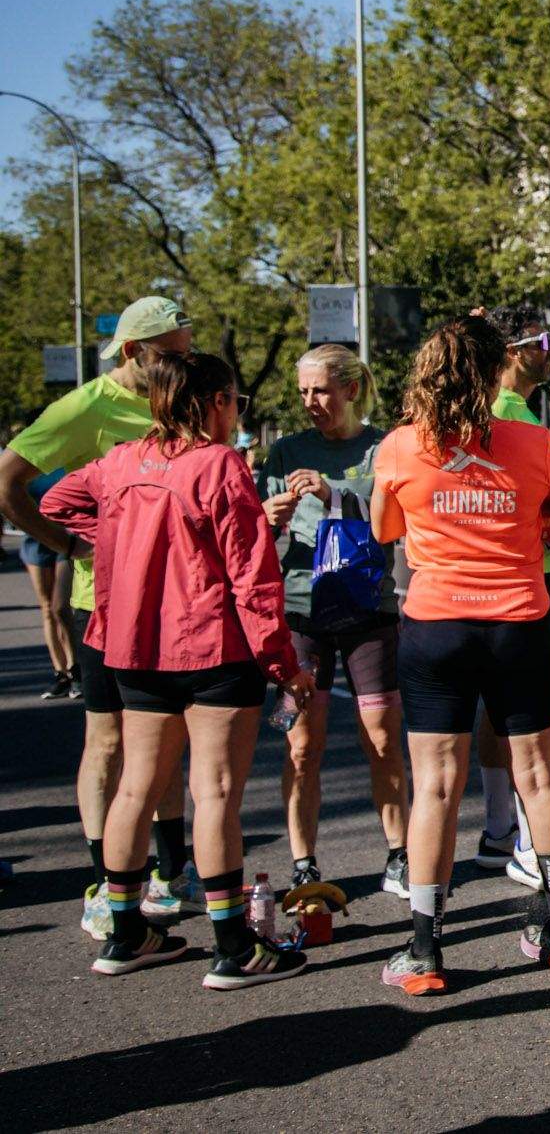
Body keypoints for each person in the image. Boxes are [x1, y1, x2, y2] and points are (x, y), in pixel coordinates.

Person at [43, 351, 313, 988]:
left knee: (136, 787)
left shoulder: (120, 461)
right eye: (235, 401)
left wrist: (119, 534)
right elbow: (252, 578)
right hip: (212, 646)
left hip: (136, 646)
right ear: (216, 401)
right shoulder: (219, 464)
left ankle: (126, 932)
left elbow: (57, 501)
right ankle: (234, 946)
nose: (235, 412)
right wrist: (284, 665)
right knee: (214, 793)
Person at [371, 316, 550, 994]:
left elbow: (386, 530)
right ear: (494, 371)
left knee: (436, 785)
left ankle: (424, 950)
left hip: (435, 626)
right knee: (541, 776)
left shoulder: (400, 445)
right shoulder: (534, 442)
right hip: (519, 623)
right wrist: (531, 525)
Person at [0, 296, 200, 938]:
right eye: (171, 355)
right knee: (109, 741)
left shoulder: (179, 398)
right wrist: (66, 544)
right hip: (106, 604)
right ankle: (102, 883)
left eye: (188, 354)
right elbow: (7, 481)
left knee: (168, 738)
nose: (182, 365)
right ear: (134, 351)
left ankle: (174, 871)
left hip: (175, 599)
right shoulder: (86, 406)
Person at [259, 344, 409, 897]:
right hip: (304, 612)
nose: (310, 402)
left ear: (350, 388)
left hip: (368, 608)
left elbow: (396, 522)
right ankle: (304, 862)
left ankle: (400, 853)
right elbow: (251, 536)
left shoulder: (384, 448)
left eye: (320, 390)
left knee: (381, 738)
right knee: (302, 745)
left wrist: (333, 494)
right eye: (303, 392)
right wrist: (266, 518)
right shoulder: (285, 452)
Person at [472, 302, 550, 893]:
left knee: (496, 707)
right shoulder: (510, 416)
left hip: (493, 578)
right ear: (511, 353)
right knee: (533, 713)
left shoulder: (494, 409)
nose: (547, 353)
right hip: (525, 577)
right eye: (538, 343)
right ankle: (529, 842)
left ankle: (499, 827)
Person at [23, 467, 79, 699]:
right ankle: (61, 673)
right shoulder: (22, 459)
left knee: (61, 607)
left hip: (67, 536)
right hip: (36, 538)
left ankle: (76, 669)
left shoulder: (66, 456)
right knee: (47, 608)